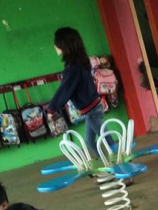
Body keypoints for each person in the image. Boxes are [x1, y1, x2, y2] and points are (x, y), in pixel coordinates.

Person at [48, 27, 115, 158]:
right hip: (91, 108)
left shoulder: (73, 67)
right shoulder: (78, 62)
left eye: (57, 43)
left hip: (92, 110)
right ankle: (109, 163)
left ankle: (122, 164)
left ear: (65, 45)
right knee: (90, 142)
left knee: (106, 140)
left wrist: (52, 109)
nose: (55, 46)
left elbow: (65, 89)